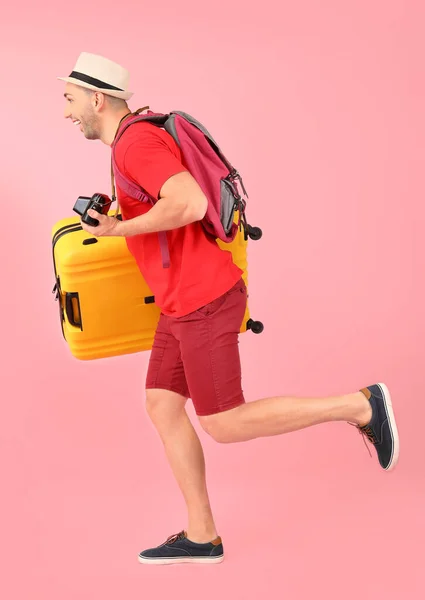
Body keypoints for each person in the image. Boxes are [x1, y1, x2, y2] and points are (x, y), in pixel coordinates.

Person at [59, 52, 400, 565]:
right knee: (162, 404)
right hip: (179, 302)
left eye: (70, 99)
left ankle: (360, 404)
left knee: (223, 422)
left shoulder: (135, 143)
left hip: (202, 299)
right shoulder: (131, 140)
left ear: (97, 97)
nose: (66, 111)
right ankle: (202, 536)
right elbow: (168, 204)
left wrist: (117, 229)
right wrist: (123, 212)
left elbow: (190, 203)